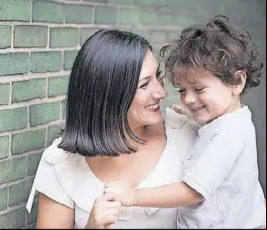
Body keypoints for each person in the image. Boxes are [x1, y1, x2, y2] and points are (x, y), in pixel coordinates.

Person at [25, 29, 200, 228]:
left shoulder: (185, 138)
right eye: (144, 85)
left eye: (157, 76)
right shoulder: (62, 162)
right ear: (110, 95)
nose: (161, 92)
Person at [104, 15, 266, 228]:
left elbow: (192, 192)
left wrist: (132, 196)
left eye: (198, 89)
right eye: (182, 90)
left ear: (237, 81)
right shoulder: (232, 122)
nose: (188, 98)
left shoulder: (228, 134)